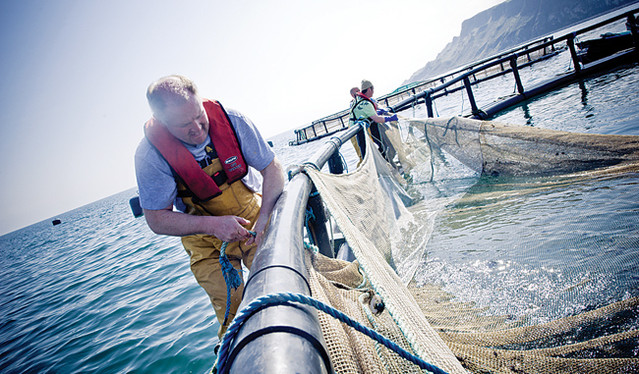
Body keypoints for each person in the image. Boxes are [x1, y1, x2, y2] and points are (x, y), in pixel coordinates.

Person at [134, 75, 285, 338]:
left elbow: (272, 169)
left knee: (283, 278)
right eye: (183, 125)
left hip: (252, 221)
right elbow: (156, 219)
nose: (197, 128)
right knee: (235, 312)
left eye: (199, 115)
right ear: (162, 122)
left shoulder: (233, 120)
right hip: (204, 241)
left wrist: (264, 218)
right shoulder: (149, 156)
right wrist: (213, 225)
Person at [350, 79, 398, 165]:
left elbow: (375, 105)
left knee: (379, 147)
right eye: (373, 89)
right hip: (358, 131)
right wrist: (390, 118)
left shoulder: (360, 99)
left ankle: (385, 163)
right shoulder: (365, 103)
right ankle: (382, 166)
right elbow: (377, 119)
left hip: (365, 128)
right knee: (366, 154)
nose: (373, 92)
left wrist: (380, 110)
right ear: (369, 89)